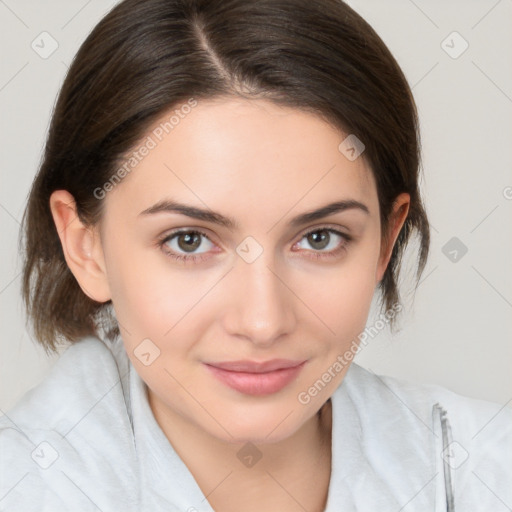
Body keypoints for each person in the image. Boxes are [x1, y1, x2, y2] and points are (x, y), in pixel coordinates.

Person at [0, 0, 510, 510]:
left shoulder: (489, 470)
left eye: (319, 238)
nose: (263, 322)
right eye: (189, 241)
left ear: (385, 241)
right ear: (86, 247)